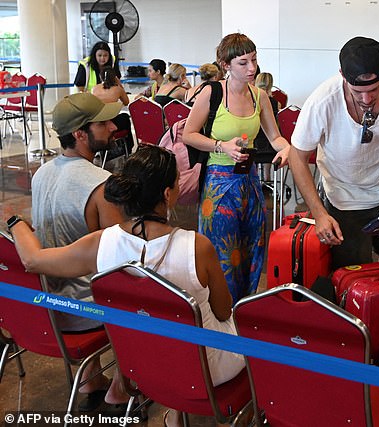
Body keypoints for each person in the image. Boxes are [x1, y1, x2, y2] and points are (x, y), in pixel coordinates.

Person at [8, 145, 245, 427]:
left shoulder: (101, 243)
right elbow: (222, 310)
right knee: (250, 332)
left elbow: (33, 261)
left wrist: (15, 222)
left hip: (138, 364)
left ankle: (174, 411)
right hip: (204, 370)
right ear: (168, 195)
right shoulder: (197, 247)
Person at [288, 36, 379, 269]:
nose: (366, 99)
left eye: (373, 90)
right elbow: (297, 156)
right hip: (343, 198)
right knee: (352, 273)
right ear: (343, 75)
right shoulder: (323, 100)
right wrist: (319, 213)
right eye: (357, 92)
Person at [30, 92, 127, 408]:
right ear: (80, 134)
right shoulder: (101, 184)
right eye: (104, 123)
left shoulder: (41, 174)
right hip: (84, 316)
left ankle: (91, 377)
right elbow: (117, 264)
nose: (113, 126)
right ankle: (122, 385)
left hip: (44, 308)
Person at [182, 33, 291, 303]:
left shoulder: (260, 96)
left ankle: (243, 304)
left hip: (249, 181)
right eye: (243, 63)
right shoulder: (212, 92)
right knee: (221, 248)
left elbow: (275, 137)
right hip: (218, 183)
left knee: (252, 244)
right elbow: (189, 134)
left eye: (254, 60)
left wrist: (286, 148)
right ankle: (220, 307)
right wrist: (222, 146)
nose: (252, 68)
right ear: (225, 65)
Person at [92, 66, 134, 155]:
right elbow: (126, 102)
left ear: (100, 76)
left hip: (97, 122)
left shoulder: (94, 88)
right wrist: (120, 84)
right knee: (125, 117)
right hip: (111, 123)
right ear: (115, 77)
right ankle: (129, 146)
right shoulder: (118, 89)